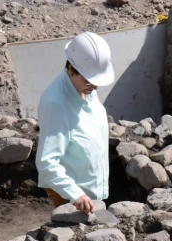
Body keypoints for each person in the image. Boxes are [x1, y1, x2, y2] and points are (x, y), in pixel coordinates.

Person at [36, 31, 114, 213]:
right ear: (71, 68)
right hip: (73, 194)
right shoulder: (56, 104)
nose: (94, 86)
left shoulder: (84, 88)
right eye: (89, 80)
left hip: (91, 189)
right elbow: (47, 162)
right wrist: (75, 194)